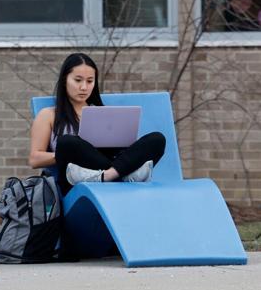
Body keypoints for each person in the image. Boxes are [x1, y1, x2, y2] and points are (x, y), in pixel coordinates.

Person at [28, 53, 166, 195]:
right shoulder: (49, 114)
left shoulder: (102, 113)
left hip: (107, 167)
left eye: (89, 81)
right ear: (64, 80)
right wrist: (66, 153)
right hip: (77, 182)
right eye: (78, 80)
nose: (84, 87)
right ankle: (121, 175)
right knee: (67, 143)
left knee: (157, 139)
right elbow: (34, 159)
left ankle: (109, 175)